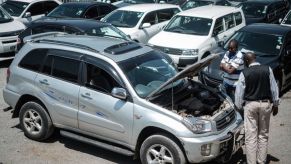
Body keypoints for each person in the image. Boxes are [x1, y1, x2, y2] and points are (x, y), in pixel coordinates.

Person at [235, 52, 279, 164]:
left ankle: (251, 162)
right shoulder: (267, 69)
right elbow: (274, 87)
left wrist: (239, 106)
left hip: (250, 105)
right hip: (265, 104)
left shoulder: (244, 73)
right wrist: (276, 104)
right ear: (255, 58)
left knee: (250, 137)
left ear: (246, 61)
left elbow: (239, 93)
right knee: (263, 135)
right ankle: (261, 161)